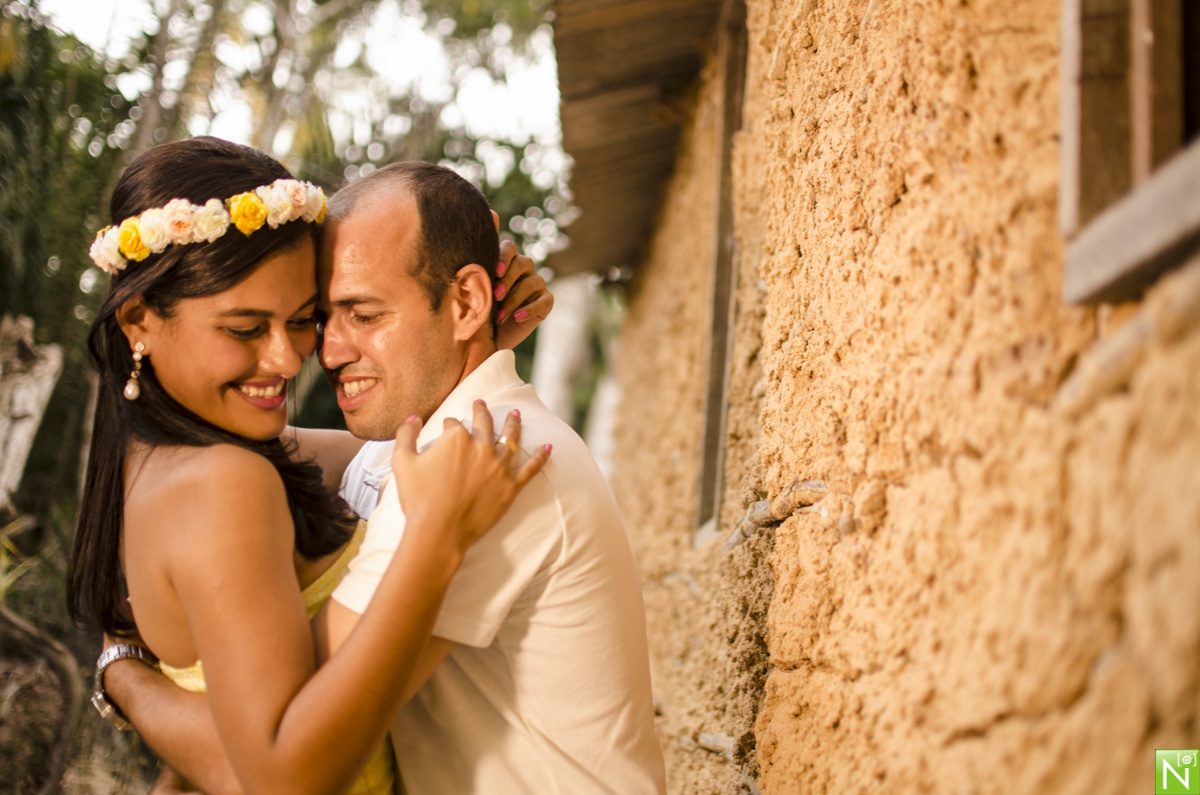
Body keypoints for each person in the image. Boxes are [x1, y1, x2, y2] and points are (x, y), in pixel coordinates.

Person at [108, 160, 668, 794]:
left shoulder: (482, 464)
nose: (321, 352)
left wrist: (123, 670)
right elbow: (233, 440)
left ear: (465, 299)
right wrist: (478, 340)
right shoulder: (417, 445)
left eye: (365, 316)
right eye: (321, 318)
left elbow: (281, 736)